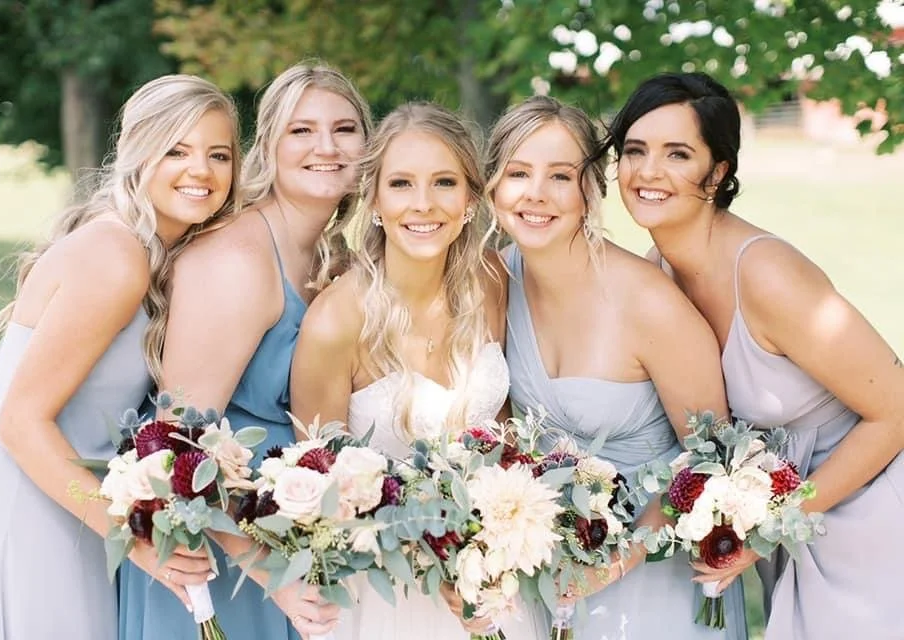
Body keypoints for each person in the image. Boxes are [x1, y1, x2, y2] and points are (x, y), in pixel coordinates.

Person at [604, 71, 904, 639]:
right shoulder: (657, 271)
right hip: (794, 530)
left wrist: (767, 524)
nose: (647, 171)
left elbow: (896, 407)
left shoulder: (766, 275)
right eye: (635, 150)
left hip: (873, 516)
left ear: (717, 172)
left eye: (677, 154)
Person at [0, 74, 240, 639]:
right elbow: (20, 419)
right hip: (31, 516)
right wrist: (137, 540)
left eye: (218, 154)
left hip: (70, 512)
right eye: (175, 149)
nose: (200, 170)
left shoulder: (152, 255)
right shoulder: (116, 256)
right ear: (137, 153)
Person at [118, 61, 372, 640]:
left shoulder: (337, 260)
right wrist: (269, 571)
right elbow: (173, 448)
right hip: (220, 557)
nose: (326, 147)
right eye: (301, 130)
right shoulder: (237, 258)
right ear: (268, 147)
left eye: (345, 129)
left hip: (292, 545)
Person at [486, 95, 747, 640]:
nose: (535, 194)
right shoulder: (493, 283)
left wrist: (613, 564)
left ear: (591, 189)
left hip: (654, 576)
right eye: (517, 173)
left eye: (560, 175)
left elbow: (713, 458)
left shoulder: (649, 303)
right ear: (491, 187)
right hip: (544, 573)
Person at [290, 101, 546, 640]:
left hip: (491, 585)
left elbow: (500, 438)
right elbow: (317, 493)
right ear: (375, 200)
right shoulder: (337, 320)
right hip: (382, 598)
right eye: (402, 184)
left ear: (472, 198)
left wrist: (488, 542)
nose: (423, 204)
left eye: (444, 183)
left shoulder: (490, 280)